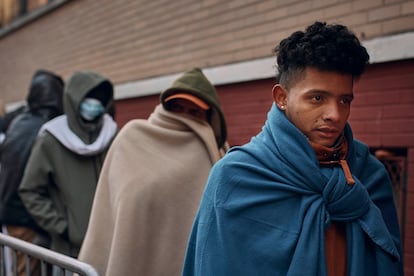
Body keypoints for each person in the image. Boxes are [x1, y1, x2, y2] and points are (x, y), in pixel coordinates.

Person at [183, 22, 403, 275]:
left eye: (344, 100)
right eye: (317, 98)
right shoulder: (236, 176)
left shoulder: (368, 174)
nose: (335, 114)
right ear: (282, 98)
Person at [78, 68, 228, 275]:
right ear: (165, 107)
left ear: (209, 116)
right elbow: (112, 208)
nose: (184, 117)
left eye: (194, 112)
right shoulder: (132, 138)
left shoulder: (214, 152)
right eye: (177, 108)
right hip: (131, 254)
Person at [18, 70, 117, 258]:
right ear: (74, 99)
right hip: (70, 251)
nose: (94, 104)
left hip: (110, 242)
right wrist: (62, 227)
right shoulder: (51, 139)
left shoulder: (113, 134)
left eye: (99, 99)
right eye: (88, 98)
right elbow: (30, 190)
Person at [0, 69, 64, 276]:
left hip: (12, 213)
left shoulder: (19, 122)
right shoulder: (50, 128)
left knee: (21, 269)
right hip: (29, 217)